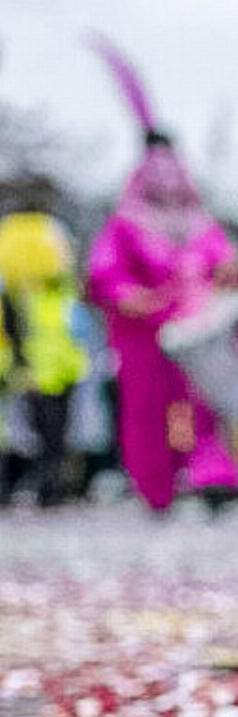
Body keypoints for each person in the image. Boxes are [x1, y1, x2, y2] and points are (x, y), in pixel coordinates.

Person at [83, 37, 238, 514]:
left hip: (196, 332)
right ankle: (156, 485)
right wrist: (130, 295)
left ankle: (210, 473)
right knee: (148, 412)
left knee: (200, 407)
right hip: (145, 335)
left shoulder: (198, 220)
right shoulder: (126, 223)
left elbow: (221, 257)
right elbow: (106, 272)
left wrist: (228, 271)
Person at [0, 208, 89, 507]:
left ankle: (42, 487)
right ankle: (47, 488)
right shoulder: (55, 290)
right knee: (48, 434)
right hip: (49, 371)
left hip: (42, 370)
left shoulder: (23, 292)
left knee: (35, 434)